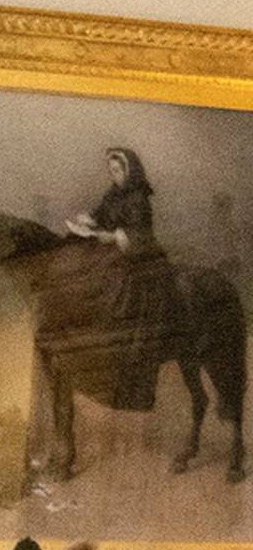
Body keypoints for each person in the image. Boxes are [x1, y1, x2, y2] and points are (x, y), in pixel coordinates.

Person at [66, 146, 175, 412]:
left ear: (129, 171)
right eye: (111, 171)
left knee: (121, 291)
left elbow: (140, 235)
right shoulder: (113, 194)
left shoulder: (138, 197)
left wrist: (113, 237)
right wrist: (87, 222)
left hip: (139, 259)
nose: (114, 175)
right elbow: (100, 214)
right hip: (114, 254)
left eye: (118, 170)